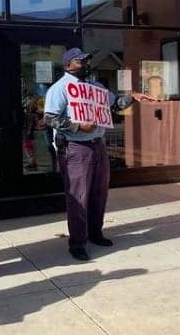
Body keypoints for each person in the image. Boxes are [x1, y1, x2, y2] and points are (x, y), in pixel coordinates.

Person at [44, 48, 152, 261]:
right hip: (75, 147)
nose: (85, 64)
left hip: (97, 144)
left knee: (99, 192)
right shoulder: (60, 89)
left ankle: (95, 233)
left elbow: (115, 104)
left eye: (86, 61)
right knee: (79, 196)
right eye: (80, 61)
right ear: (68, 65)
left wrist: (133, 97)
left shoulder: (96, 87)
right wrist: (77, 126)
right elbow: (49, 118)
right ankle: (77, 242)